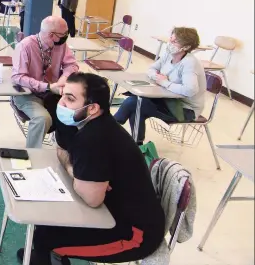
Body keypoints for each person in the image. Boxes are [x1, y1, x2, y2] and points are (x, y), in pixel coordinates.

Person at [18, 73, 164, 265]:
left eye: (70, 99)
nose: (61, 104)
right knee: (45, 224)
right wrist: (76, 173)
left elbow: (92, 199)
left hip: (134, 234)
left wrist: (77, 174)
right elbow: (61, 151)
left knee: (45, 238)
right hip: (110, 210)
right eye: (63, 95)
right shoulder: (79, 121)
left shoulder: (95, 138)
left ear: (93, 108)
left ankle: (51, 256)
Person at [114, 27, 206, 145]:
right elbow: (152, 69)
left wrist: (165, 83)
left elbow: (190, 90)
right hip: (167, 100)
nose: (170, 43)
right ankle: (135, 144)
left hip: (185, 109)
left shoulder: (189, 63)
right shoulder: (169, 54)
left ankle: (110, 130)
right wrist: (157, 76)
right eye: (170, 39)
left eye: (174, 42)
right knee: (137, 103)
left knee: (135, 103)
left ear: (186, 47)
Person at [11, 16, 79, 148]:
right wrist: (47, 86)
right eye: (64, 34)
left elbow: (72, 65)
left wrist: (63, 79)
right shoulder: (25, 46)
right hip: (28, 94)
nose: (66, 36)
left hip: (53, 92)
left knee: (75, 113)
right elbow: (18, 77)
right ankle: (32, 154)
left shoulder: (61, 45)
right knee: (42, 119)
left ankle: (67, 151)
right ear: (52, 35)